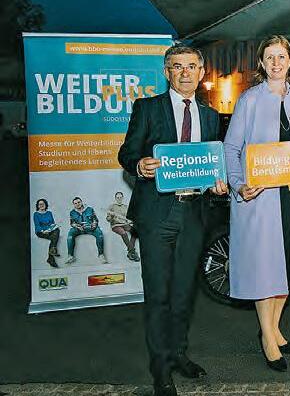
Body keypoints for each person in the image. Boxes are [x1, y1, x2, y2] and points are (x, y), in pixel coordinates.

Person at [118, 45, 228, 396]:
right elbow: (127, 152)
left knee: (183, 293)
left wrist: (218, 183)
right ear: (167, 72)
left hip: (194, 214)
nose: (185, 73)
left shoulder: (210, 116)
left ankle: (179, 353)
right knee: (158, 295)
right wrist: (139, 165)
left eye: (191, 66)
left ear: (201, 72)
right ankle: (161, 368)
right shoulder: (148, 108)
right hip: (157, 215)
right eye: (177, 67)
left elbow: (212, 164)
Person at [224, 35, 290, 373]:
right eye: (270, 57)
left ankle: (275, 328)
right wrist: (238, 185)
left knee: (287, 266)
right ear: (262, 64)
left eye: (282, 56)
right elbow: (231, 148)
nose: (276, 63)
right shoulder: (249, 100)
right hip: (260, 198)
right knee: (264, 268)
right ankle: (267, 336)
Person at [66, 197, 106, 264]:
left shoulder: (90, 209)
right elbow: (72, 223)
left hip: (90, 227)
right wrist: (77, 227)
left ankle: (101, 255)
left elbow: (95, 220)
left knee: (99, 233)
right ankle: (70, 256)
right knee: (70, 234)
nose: (77, 204)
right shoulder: (72, 212)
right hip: (79, 229)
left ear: (81, 202)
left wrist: (93, 226)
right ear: (74, 205)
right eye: (75, 203)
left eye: (79, 202)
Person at [106, 191, 140, 262]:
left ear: (122, 198)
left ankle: (130, 252)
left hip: (125, 224)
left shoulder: (126, 207)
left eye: (120, 197)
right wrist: (111, 217)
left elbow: (129, 217)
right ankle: (132, 252)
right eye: (117, 197)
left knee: (135, 232)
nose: (119, 199)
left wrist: (131, 221)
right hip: (116, 225)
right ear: (115, 198)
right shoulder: (111, 207)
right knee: (123, 233)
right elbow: (108, 219)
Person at [33, 198, 61, 268]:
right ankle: (51, 256)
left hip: (49, 231)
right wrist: (43, 231)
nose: (41, 205)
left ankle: (50, 258)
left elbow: (52, 223)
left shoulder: (49, 213)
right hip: (41, 232)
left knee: (57, 230)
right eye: (40, 204)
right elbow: (37, 225)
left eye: (43, 204)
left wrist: (53, 227)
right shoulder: (36, 214)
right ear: (38, 206)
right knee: (54, 237)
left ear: (46, 205)